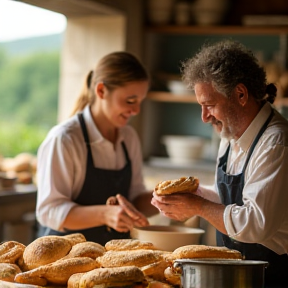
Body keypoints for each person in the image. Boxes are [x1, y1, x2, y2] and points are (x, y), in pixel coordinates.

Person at [151, 40, 288, 288]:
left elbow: (255, 224)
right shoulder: (229, 134)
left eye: (209, 105)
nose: (204, 118)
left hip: (274, 275)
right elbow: (229, 199)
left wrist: (198, 206)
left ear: (241, 94)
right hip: (237, 272)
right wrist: (192, 197)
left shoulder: (276, 143)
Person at [36, 51, 158, 245]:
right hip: (65, 258)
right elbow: (49, 211)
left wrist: (165, 198)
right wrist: (105, 214)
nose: (136, 111)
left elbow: (134, 199)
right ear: (101, 91)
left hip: (112, 258)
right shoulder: (65, 139)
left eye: (140, 102)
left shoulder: (129, 137)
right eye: (130, 101)